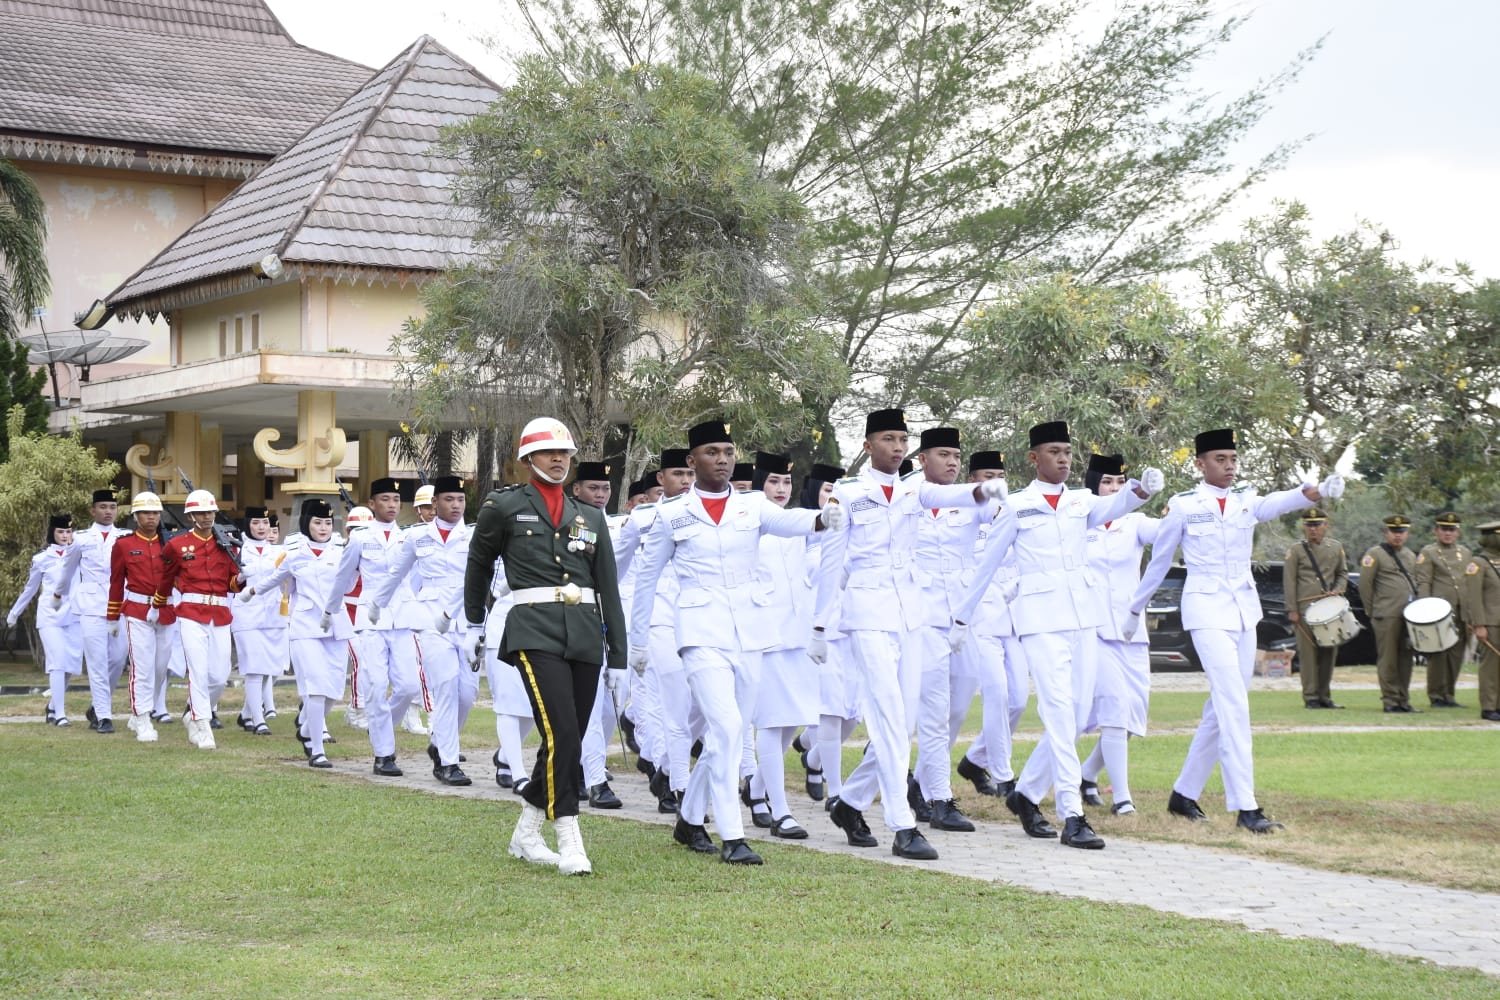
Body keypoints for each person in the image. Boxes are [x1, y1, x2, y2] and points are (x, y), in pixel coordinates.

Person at [631, 420, 832, 865]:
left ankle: (688, 819)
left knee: (731, 731)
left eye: (727, 452)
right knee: (725, 729)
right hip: (700, 632)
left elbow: (789, 521)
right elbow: (646, 581)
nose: (722, 460)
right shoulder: (672, 514)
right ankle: (733, 835)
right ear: (692, 461)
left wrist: (821, 519)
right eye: (711, 452)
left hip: (749, 631)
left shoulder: (752, 505)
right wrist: (637, 642)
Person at [814, 408, 1009, 861]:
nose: (897, 447)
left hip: (910, 615)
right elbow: (831, 562)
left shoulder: (913, 490)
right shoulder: (848, 493)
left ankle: (849, 804)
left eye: (903, 439)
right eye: (888, 439)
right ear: (868, 446)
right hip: (867, 614)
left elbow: (950, 494)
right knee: (886, 718)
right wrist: (820, 625)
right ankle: (902, 825)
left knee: (902, 725)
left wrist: (982, 490)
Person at [956, 423, 1160, 850]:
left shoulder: (1081, 501)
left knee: (1078, 716)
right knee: (1059, 714)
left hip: (1083, 618)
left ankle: (1026, 794)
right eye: (1054, 451)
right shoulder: (1017, 505)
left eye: (1067, 451)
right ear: (1034, 458)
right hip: (1040, 621)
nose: (1064, 458)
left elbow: (1117, 505)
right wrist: (961, 620)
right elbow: (987, 565)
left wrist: (1142, 489)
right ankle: (1073, 814)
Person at [1125, 429, 1339, 834]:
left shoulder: (1245, 499)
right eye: (1220, 459)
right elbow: (1160, 560)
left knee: (1222, 707)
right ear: (1200, 463)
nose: (1229, 466)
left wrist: (1316, 491)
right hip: (1206, 611)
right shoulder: (1184, 505)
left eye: (1233, 459)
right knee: (1234, 705)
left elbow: (1279, 502)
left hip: (1243, 612)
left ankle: (1184, 794)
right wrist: (1135, 608)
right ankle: (1246, 807)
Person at [464, 418, 628, 876]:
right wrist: (473, 622)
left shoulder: (589, 515)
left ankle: (526, 832)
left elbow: (608, 588)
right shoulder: (503, 506)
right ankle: (570, 836)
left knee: (563, 736)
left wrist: (618, 654)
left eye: (565, 453)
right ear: (527, 459)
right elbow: (478, 565)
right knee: (563, 732)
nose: (558, 459)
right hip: (533, 629)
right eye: (548, 452)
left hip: (584, 632)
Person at [368, 476, 475, 786]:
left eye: (460, 500)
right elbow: (397, 574)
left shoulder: (474, 535)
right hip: (431, 620)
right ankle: (447, 763)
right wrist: (377, 604)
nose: (456, 505)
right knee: (446, 687)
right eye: (449, 499)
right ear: (435, 503)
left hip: (467, 620)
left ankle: (440, 741)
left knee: (467, 694)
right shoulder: (417, 537)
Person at [908, 427, 989, 833]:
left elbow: (1001, 520)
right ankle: (939, 798)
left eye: (957, 456)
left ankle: (915, 783)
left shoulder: (973, 500)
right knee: (933, 712)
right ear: (922, 459)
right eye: (943, 454)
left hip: (961, 618)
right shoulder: (907, 497)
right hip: (921, 618)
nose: (953, 462)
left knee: (956, 709)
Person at [743, 451, 821, 839]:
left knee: (792, 722)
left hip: (798, 636)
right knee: (772, 725)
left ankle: (755, 789)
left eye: (787, 482)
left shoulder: (798, 524)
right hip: (766, 636)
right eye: (773, 481)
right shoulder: (748, 522)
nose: (780, 489)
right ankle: (781, 811)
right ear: (759, 484)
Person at [1077, 454, 1160, 816]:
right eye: (1107, 482)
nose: (1113, 489)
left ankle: (1086, 774)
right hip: (1094, 630)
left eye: (1120, 483)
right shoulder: (1081, 521)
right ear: (1093, 484)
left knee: (1133, 716)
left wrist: (1184, 513)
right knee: (1114, 711)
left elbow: (1166, 532)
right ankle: (1122, 799)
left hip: (1130, 631)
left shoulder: (1135, 523)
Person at [616, 448, 697, 815]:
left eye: (689, 474)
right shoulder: (643, 518)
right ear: (661, 479)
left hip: (698, 616)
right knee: (667, 701)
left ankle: (662, 767)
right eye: (678, 474)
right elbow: (616, 568)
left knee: (699, 706)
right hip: (657, 617)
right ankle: (677, 786)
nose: (685, 481)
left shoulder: (709, 513)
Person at [242, 499, 351, 768]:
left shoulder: (341, 551)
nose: (323, 528)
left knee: (333, 690)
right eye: (317, 522)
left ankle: (306, 728)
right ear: (306, 524)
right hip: (305, 627)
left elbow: (349, 584)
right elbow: (275, 578)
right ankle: (317, 749)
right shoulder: (295, 553)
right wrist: (251, 591)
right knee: (315, 688)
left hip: (336, 625)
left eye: (328, 523)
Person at [327, 480, 422, 776]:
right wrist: (330, 610)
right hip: (371, 620)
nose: (392, 505)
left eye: (396, 499)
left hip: (402, 618)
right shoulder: (360, 538)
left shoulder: (409, 538)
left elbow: (416, 577)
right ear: (372, 504)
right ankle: (384, 754)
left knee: (409, 686)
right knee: (376, 685)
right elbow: (343, 578)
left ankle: (381, 728)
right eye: (385, 499)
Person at [951, 451, 1023, 801]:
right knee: (996, 694)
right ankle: (1004, 775)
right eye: (987, 476)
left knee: (1018, 700)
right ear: (972, 481)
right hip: (978, 618)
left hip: (1012, 618)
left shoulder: (1014, 512)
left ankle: (974, 761)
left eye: (1000, 475)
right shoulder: (964, 516)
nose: (996, 482)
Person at [152, 489, 244, 750]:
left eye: (210, 512)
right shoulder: (177, 545)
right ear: (190, 516)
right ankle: (202, 724)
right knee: (198, 670)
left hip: (220, 613)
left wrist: (242, 578)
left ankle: (193, 709)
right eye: (201, 513)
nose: (206, 517)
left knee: (220, 675)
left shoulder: (226, 544)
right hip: (191, 612)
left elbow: (232, 585)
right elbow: (167, 578)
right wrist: (158, 604)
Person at [789, 462, 849, 804]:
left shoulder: (852, 527)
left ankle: (812, 757)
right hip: (819, 631)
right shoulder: (802, 529)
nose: (834, 497)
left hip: (854, 626)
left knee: (853, 715)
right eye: (828, 490)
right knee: (831, 711)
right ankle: (836, 792)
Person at [571, 460, 624, 808]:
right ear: (577, 490)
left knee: (610, 708)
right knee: (589, 707)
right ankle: (596, 780)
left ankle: (581, 764)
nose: (601, 494)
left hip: (615, 620)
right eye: (594, 488)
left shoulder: (619, 525)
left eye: (605, 488)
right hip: (582, 620)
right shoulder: (571, 523)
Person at [106, 491, 175, 742]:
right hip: (137, 610)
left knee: (160, 668)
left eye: (155, 512)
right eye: (145, 513)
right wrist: (112, 616)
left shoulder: (170, 542)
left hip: (166, 609)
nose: (151, 517)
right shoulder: (123, 545)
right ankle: (142, 716)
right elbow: (116, 582)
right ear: (136, 516)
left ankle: (142, 710)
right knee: (142, 667)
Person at [57, 489, 128, 733]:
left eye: (112, 507)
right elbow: (67, 570)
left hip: (119, 605)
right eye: (103, 507)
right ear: (93, 510)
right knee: (97, 661)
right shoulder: (81, 538)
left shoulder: (125, 537)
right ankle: (104, 716)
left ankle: (97, 706)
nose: (108, 511)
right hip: (91, 606)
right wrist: (58, 595)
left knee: (118, 659)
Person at [7, 514, 82, 725]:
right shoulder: (42, 559)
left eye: (68, 531)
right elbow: (30, 589)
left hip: (74, 615)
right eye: (60, 531)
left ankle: (52, 707)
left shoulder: (79, 555)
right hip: (50, 616)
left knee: (69, 666)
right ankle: (60, 715)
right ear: (52, 533)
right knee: (57, 663)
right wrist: (14, 613)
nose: (65, 536)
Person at [1283, 507, 1350, 710]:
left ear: (1325, 525)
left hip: (1329, 608)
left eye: (1317, 525)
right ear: (1304, 527)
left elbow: (1343, 573)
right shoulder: (1296, 550)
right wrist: (1292, 609)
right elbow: (1289, 580)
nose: (1313, 529)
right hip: (1305, 608)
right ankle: (1311, 697)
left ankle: (1324, 696)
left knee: (1329, 652)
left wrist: (1337, 590)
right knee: (1308, 655)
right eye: (1309, 525)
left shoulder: (1335, 547)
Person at [232, 506, 286, 736]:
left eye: (265, 523)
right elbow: (228, 583)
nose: (262, 527)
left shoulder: (279, 551)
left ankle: (246, 714)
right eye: (256, 523)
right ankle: (258, 719)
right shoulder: (237, 550)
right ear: (248, 525)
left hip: (274, 614)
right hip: (247, 613)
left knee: (270, 668)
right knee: (254, 668)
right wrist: (239, 577)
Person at [1359, 515, 1420, 713]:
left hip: (1408, 616)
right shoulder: (1375, 554)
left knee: (1406, 659)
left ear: (1407, 534)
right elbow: (1365, 586)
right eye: (1394, 532)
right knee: (1388, 659)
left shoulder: (1410, 555)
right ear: (1386, 533)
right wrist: (1372, 611)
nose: (1397, 536)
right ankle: (1390, 700)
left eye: (1401, 532)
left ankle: (1403, 699)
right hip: (1386, 614)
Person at [1416, 512, 1471, 708]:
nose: (1448, 533)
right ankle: (1436, 695)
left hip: (1461, 610)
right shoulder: (1429, 552)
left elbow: (1469, 582)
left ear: (1458, 532)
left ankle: (1449, 694)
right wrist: (1425, 611)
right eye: (1444, 529)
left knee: (1456, 655)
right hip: (1439, 612)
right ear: (1436, 531)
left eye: (1452, 529)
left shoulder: (1465, 553)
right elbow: (1424, 582)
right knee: (1439, 654)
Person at [1460, 522, 1500, 722]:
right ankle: (1489, 706)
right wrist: (1479, 624)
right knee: (1490, 667)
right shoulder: (1478, 563)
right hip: (1490, 623)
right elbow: (1473, 598)